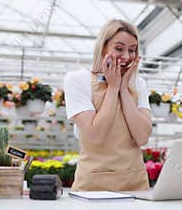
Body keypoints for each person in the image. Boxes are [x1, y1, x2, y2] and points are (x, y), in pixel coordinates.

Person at [64, 19, 152, 191]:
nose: (126, 57)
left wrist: (124, 89)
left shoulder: (138, 84)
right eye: (119, 49)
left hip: (135, 186)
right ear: (103, 47)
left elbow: (142, 137)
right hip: (93, 188)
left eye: (132, 50)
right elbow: (96, 135)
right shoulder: (77, 80)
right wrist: (113, 88)